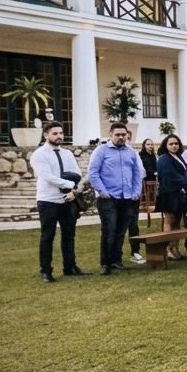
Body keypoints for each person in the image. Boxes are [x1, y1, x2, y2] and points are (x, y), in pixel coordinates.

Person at [29, 120, 87, 281]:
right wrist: (69, 184)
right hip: (48, 200)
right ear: (46, 135)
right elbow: (47, 176)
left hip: (67, 200)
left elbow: (76, 173)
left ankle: (70, 266)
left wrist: (73, 191)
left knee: (69, 235)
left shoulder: (67, 154)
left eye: (61, 133)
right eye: (55, 133)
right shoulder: (39, 154)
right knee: (48, 236)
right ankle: (46, 271)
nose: (59, 136)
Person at [87, 122, 143, 275]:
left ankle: (116, 260)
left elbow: (137, 174)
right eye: (117, 135)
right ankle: (106, 263)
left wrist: (136, 191)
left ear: (127, 136)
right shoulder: (101, 151)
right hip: (108, 197)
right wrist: (103, 192)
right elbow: (93, 173)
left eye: (123, 135)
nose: (120, 137)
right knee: (109, 231)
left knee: (121, 231)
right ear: (110, 135)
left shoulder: (131, 152)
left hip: (127, 197)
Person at [155, 133, 187, 261]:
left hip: (179, 193)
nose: (174, 146)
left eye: (176, 144)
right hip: (169, 193)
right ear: (166, 145)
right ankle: (167, 248)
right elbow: (171, 175)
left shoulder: (178, 157)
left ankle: (175, 247)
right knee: (169, 220)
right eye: (171, 144)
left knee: (178, 222)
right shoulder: (164, 158)